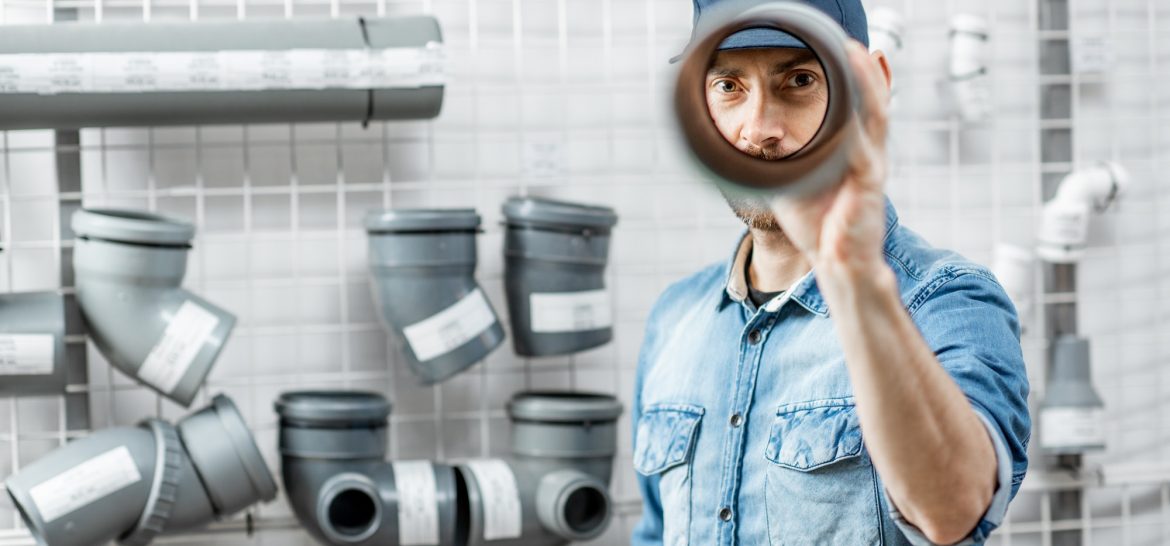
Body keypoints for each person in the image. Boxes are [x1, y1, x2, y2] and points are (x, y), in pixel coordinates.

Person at [631, 1, 1031, 545]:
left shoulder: (949, 302)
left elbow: (953, 510)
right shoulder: (674, 318)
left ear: (869, 89)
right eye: (728, 86)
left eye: (798, 79)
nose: (759, 130)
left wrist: (852, 273)